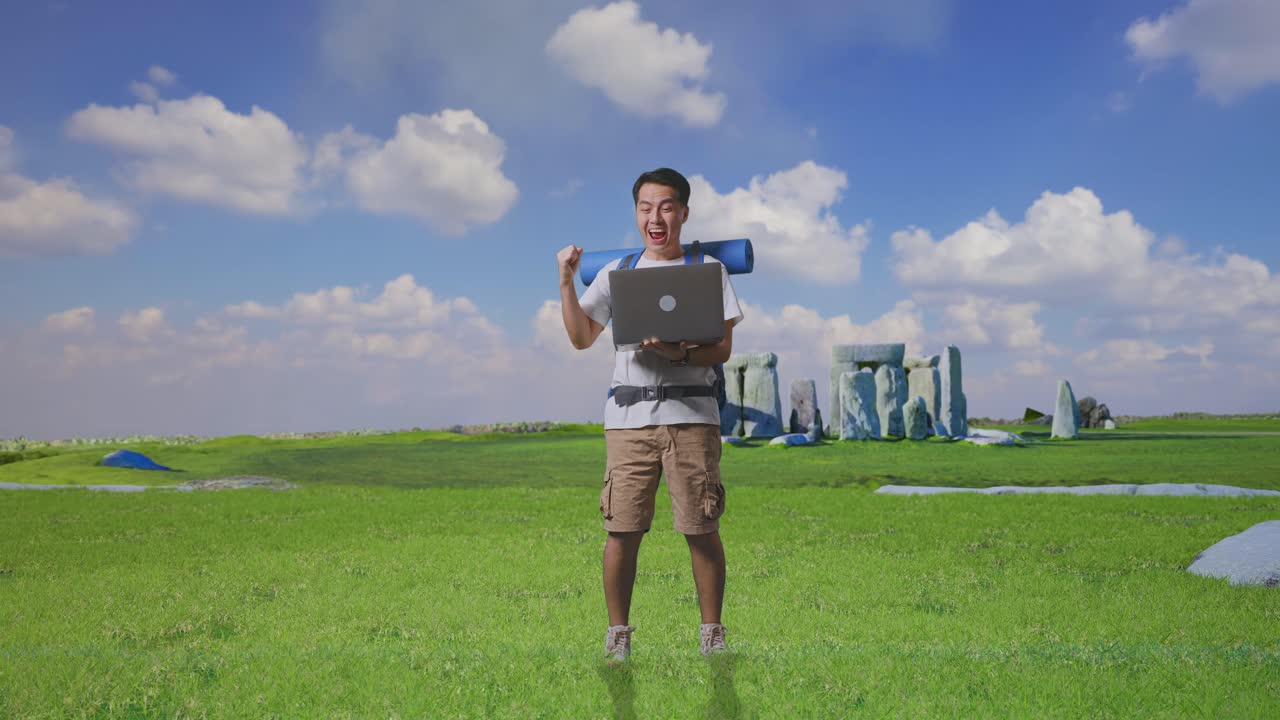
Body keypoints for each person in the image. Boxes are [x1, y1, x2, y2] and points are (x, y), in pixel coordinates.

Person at [556, 167, 744, 662]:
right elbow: (580, 337)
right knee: (622, 529)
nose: (654, 217)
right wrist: (566, 282)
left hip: (692, 416)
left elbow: (722, 347)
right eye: (645, 207)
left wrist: (680, 354)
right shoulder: (619, 273)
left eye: (665, 207)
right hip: (627, 421)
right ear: (636, 214)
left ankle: (712, 636)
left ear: (683, 212)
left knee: (701, 527)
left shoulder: (709, 270)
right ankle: (618, 637)